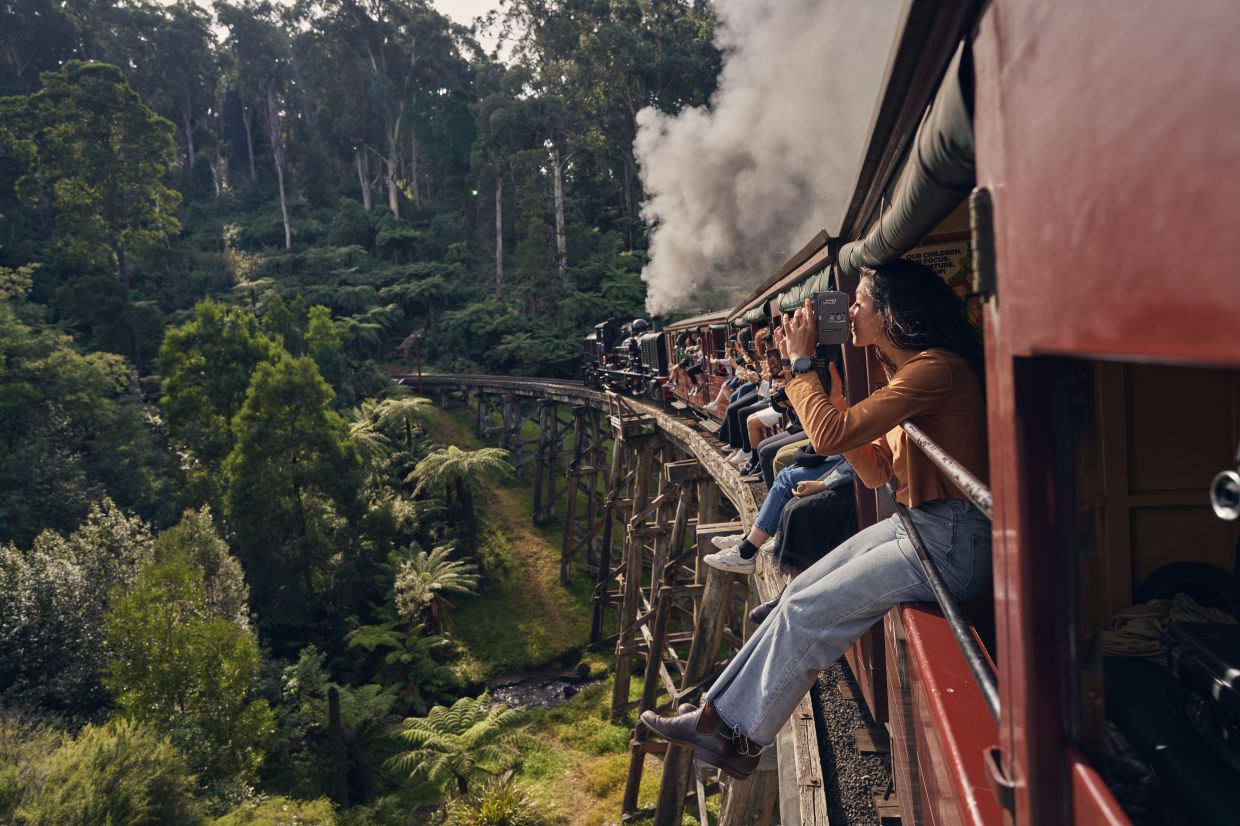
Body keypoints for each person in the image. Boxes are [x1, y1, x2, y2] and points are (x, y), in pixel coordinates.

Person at [640, 258, 990, 779]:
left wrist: (803, 368)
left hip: (952, 540)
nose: (848, 312)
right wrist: (831, 400)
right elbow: (873, 473)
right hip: (926, 528)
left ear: (892, 313)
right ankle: (714, 718)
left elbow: (825, 438)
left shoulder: (935, 370)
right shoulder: (907, 374)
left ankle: (738, 737)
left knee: (808, 611)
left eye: (859, 303)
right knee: (797, 597)